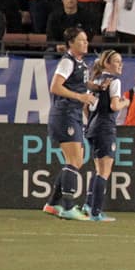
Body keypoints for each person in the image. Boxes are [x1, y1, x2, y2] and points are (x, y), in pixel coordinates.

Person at [43, 27, 98, 220]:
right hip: (64, 114)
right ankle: (67, 206)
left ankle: (52, 204)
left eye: (86, 40)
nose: (85, 43)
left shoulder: (81, 63)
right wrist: (79, 96)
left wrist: (94, 87)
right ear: (71, 44)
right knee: (75, 160)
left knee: (77, 160)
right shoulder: (67, 61)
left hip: (73, 114)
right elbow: (55, 86)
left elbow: (79, 83)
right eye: (81, 40)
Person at [82, 50, 129, 222]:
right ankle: (96, 212)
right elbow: (115, 105)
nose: (120, 64)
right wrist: (126, 102)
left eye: (121, 60)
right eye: (117, 61)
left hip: (92, 127)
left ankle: (88, 205)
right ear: (107, 64)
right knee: (104, 171)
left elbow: (85, 107)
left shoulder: (96, 80)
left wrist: (92, 122)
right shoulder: (113, 81)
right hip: (105, 127)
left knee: (98, 169)